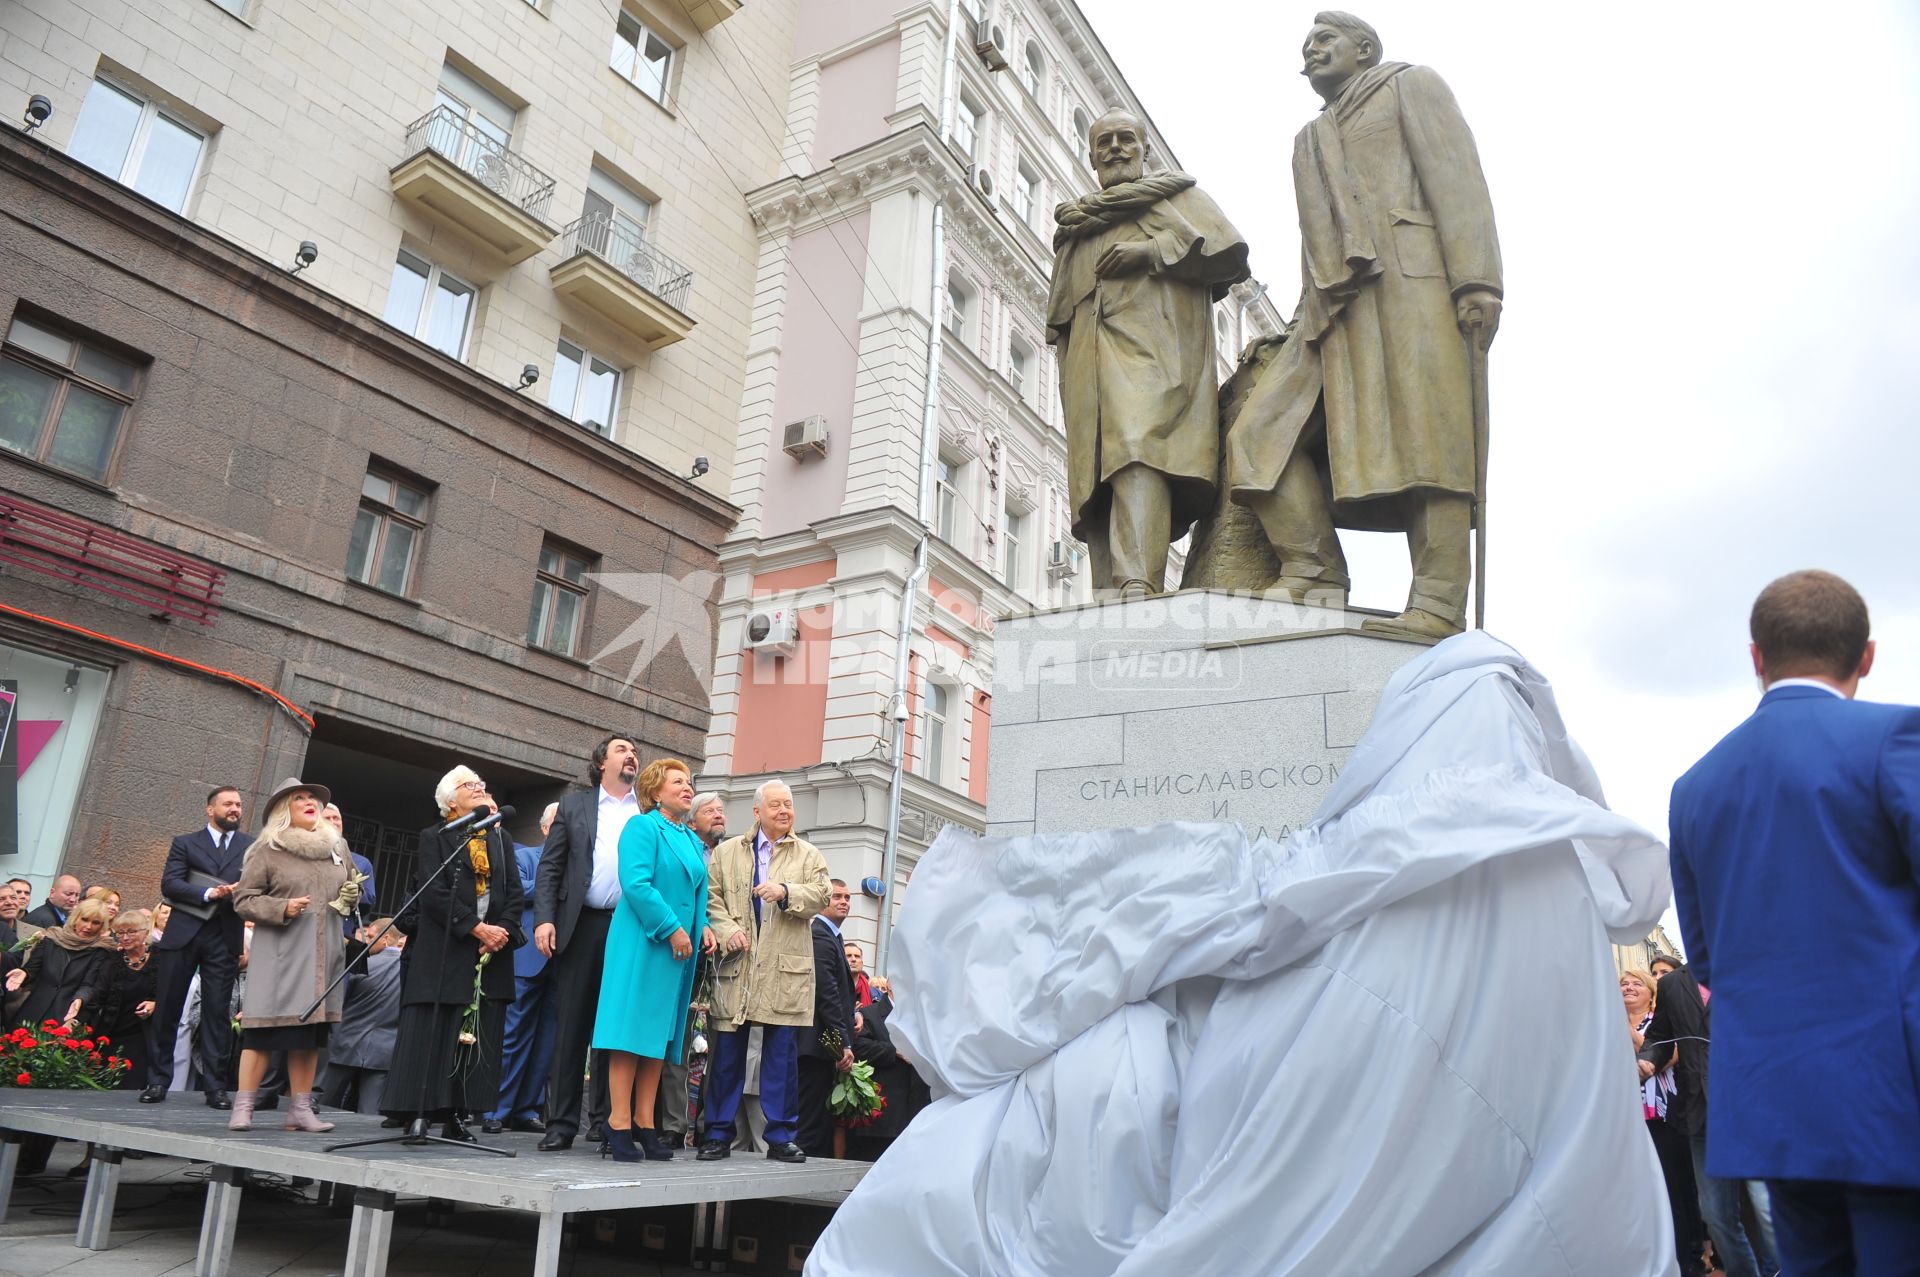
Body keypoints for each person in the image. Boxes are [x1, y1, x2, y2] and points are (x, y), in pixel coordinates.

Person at [1669, 571, 1920, 1273]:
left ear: (1757, 657)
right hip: (1895, 1095)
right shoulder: (1895, 736)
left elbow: (1707, 961)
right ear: (1866, 655)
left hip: (1774, 1102)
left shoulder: (1694, 787)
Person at [1228, 12, 1502, 639]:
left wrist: (1477, 280)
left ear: (1365, 48)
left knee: (1431, 443)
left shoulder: (1411, 85)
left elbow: (1458, 184)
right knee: (1260, 435)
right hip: (1331, 308)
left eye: (1325, 40)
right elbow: (1316, 242)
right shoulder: (1309, 137)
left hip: (1416, 286)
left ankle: (1436, 604)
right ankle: (1316, 571)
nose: (1312, 51)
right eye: (1306, 46)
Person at [1047, 108, 1250, 598]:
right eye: (1104, 142)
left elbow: (1230, 255)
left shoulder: (1176, 198)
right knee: (1097, 472)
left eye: (1125, 139)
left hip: (1153, 353)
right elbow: (1059, 319)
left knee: (1137, 451)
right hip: (1087, 363)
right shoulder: (1079, 227)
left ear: (1143, 149)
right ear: (1092, 156)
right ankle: (1108, 589)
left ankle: (1139, 580)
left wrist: (1151, 252)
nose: (1115, 148)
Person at [383, 766, 523, 1141]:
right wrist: (474, 927)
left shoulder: (500, 838)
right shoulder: (436, 837)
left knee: (474, 1032)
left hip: (490, 951)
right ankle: (420, 1112)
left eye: (481, 785)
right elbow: (434, 893)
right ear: (450, 801)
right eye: (469, 786)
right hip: (446, 947)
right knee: (435, 1031)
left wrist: (501, 932)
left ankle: (458, 1114)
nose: (479, 789)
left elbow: (514, 894)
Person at [698, 779, 831, 1164]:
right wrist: (726, 930)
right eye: (776, 805)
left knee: (781, 1060)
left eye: (788, 804)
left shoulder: (808, 854)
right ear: (757, 812)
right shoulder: (726, 852)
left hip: (783, 969)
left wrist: (786, 892)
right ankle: (717, 1134)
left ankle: (781, 1136)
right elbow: (711, 898)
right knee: (726, 1056)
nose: (784, 811)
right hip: (738, 965)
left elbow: (821, 895)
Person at [591, 759, 712, 1161]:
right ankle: (619, 1122)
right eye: (677, 782)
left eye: (690, 782)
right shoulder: (644, 826)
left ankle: (646, 1122)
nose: (687, 787)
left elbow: (695, 894)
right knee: (630, 1033)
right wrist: (672, 927)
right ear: (655, 792)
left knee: (659, 1037)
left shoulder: (693, 840)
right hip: (645, 941)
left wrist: (704, 926)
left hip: (676, 952)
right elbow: (636, 883)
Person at [225, 779, 353, 1133]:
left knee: (310, 1036)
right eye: (300, 798)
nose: (310, 802)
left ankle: (300, 1109)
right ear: (285, 811)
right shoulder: (267, 850)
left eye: (313, 797)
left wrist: (351, 895)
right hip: (280, 955)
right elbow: (243, 899)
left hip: (323, 953)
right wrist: (283, 906)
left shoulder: (338, 846)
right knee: (262, 1032)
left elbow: (350, 887)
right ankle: (244, 1106)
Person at [533, 735, 640, 1151]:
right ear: (600, 762)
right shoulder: (575, 805)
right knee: (572, 1026)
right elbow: (551, 867)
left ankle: (605, 1122)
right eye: (621, 750)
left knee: (614, 1030)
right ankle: (560, 1123)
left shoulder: (645, 811)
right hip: (581, 926)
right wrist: (544, 919)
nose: (630, 755)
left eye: (634, 752)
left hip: (628, 930)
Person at [146, 786, 253, 1107]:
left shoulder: (251, 846)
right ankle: (157, 1082)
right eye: (228, 804)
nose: (235, 809)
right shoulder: (185, 843)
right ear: (210, 809)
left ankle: (215, 1087)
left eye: (238, 804)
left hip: (225, 936)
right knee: (167, 1007)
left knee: (218, 1013)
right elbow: (171, 884)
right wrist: (210, 893)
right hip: (184, 934)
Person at [1622, 967, 1705, 1277]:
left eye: (1635, 984)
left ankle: (1689, 1256)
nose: (1627, 988)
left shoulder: (1658, 1021)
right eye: (1622, 984)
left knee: (1675, 1186)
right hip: (1627, 1118)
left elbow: (1666, 1056)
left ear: (1651, 992)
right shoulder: (1607, 1024)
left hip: (1664, 1115)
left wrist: (1623, 1027)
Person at [483, 802, 560, 1135]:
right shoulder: (524, 856)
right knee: (512, 1037)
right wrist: (555, 885)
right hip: (527, 957)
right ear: (544, 828)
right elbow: (512, 891)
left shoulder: (582, 868)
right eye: (560, 824)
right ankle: (495, 1108)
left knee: (547, 1041)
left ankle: (527, 1109)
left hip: (561, 961)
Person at [798, 880, 858, 1158]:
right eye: (836, 897)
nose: (844, 901)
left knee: (818, 1120)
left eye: (847, 897)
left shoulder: (832, 936)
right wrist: (842, 1042)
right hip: (817, 1045)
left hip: (823, 1045)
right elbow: (827, 992)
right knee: (809, 1121)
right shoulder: (820, 934)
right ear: (823, 901)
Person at [321, 921, 405, 1114]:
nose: (365, 941)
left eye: (369, 936)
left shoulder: (360, 966)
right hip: (384, 1051)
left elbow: (338, 1000)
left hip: (345, 1044)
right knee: (370, 1114)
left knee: (324, 1105)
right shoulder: (408, 971)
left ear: (385, 938)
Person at [5, 897, 115, 1030]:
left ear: (102, 926)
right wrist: (24, 973)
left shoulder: (101, 951)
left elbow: (89, 984)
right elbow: (33, 969)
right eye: (84, 919)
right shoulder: (51, 939)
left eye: (96, 923)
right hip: (33, 1010)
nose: (88, 927)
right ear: (75, 918)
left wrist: (80, 998)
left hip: (65, 1016)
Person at [97, 908, 159, 1090]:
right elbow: (99, 993)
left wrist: (156, 1004)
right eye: (121, 933)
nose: (125, 937)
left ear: (145, 933)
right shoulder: (111, 961)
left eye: (131, 932)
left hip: (143, 1036)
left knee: (134, 1085)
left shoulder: (161, 958)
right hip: (112, 1033)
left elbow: (171, 991)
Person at [321, 803, 377, 939]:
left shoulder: (361, 863)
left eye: (336, 818)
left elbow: (369, 901)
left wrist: (354, 893)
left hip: (341, 932)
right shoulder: (304, 854)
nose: (333, 822)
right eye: (327, 818)